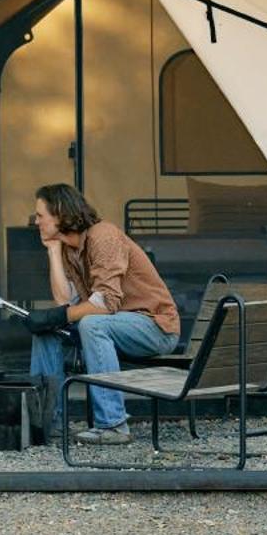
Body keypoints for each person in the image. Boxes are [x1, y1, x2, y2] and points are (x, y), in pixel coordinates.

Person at [24, 183, 181, 444]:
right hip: (113, 325)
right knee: (46, 331)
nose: (36, 222)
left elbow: (106, 303)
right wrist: (53, 251)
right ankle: (50, 423)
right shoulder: (67, 248)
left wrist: (60, 316)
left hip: (154, 327)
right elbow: (65, 301)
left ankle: (113, 425)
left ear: (60, 214)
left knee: (92, 324)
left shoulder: (103, 236)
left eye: (40, 216)